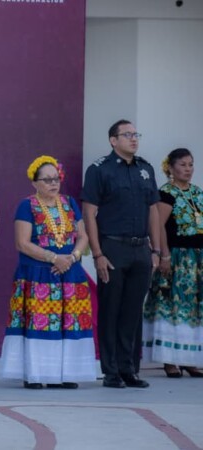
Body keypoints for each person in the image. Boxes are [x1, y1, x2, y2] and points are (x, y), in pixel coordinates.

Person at [0, 156, 97, 389]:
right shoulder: (27, 205)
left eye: (56, 179)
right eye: (47, 180)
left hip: (70, 274)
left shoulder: (70, 203)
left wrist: (72, 257)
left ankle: (64, 374)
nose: (53, 184)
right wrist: (54, 258)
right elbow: (22, 244)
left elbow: (83, 236)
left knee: (68, 323)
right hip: (38, 275)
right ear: (34, 183)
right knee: (40, 323)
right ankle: (36, 373)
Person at [82, 119, 160, 389]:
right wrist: (98, 254)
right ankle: (111, 370)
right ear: (113, 140)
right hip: (112, 247)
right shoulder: (99, 170)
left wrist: (157, 250)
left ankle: (130, 369)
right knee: (111, 309)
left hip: (141, 249)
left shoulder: (146, 169)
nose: (133, 139)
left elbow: (153, 211)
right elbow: (89, 213)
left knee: (132, 312)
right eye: (127, 135)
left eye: (135, 134)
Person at [143, 148, 203, 377]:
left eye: (191, 164)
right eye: (183, 165)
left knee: (193, 308)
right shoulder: (165, 194)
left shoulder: (198, 193)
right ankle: (169, 360)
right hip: (177, 257)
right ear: (170, 168)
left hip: (197, 259)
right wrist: (164, 254)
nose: (188, 169)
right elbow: (158, 226)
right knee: (172, 305)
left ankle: (189, 358)